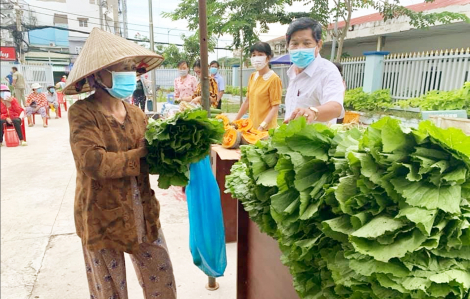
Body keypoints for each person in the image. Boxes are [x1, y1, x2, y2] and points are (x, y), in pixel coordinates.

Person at [63, 27, 176, 299]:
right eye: (119, 67)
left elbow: (152, 160)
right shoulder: (82, 112)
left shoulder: (137, 114)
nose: (128, 73)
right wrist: (141, 155)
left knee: (161, 276)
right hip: (102, 214)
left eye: (130, 67)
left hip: (143, 211)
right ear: (98, 75)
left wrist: (174, 154)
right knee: (110, 288)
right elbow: (93, 162)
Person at [284, 18, 344, 125]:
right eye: (295, 44)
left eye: (307, 43)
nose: (300, 48)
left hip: (317, 140)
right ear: (288, 46)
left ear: (319, 45)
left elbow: (336, 107)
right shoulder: (293, 72)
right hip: (292, 139)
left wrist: (313, 112)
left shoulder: (328, 71)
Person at [234, 42, 282, 130]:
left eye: (260, 55)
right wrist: (235, 121)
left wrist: (262, 126)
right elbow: (247, 101)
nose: (256, 58)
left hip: (266, 129)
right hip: (252, 127)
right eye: (254, 55)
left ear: (268, 58)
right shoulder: (253, 76)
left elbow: (275, 106)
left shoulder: (273, 79)